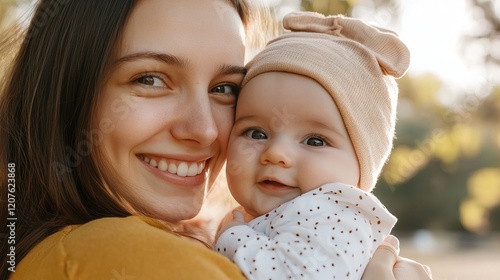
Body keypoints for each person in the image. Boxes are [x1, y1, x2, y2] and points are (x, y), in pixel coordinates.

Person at [0, 0, 431, 279]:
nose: (205, 130)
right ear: (64, 91)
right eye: (150, 79)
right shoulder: (121, 257)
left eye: (224, 87)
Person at [215, 11, 416, 279]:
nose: (276, 154)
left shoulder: (336, 216)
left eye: (315, 141)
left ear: (363, 162)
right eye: (255, 133)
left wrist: (232, 237)